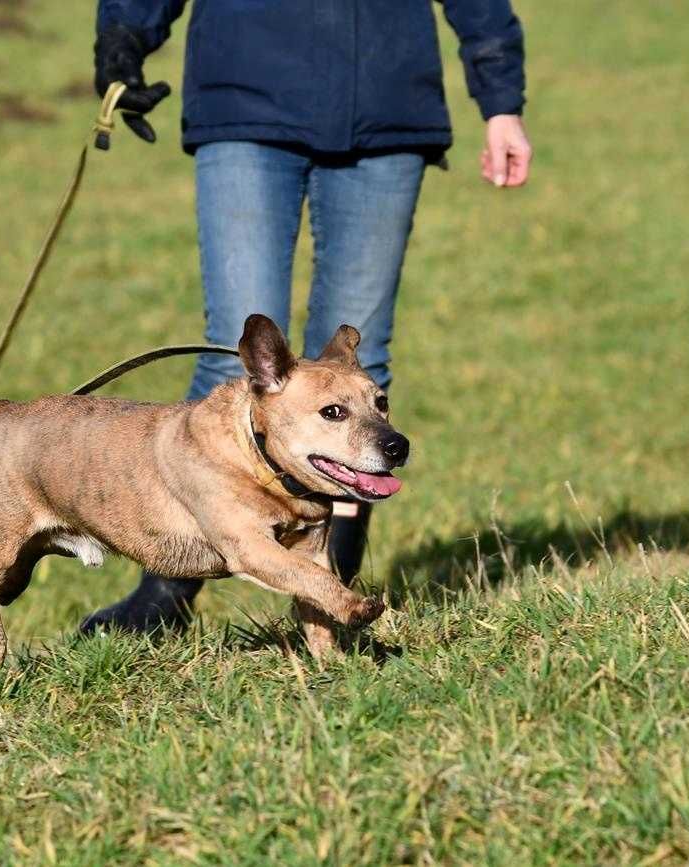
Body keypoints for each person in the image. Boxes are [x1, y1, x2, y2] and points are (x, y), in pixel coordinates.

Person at [81, 0, 530, 633]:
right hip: (244, 98)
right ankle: (167, 595)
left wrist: (501, 98)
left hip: (386, 106)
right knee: (228, 361)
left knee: (360, 366)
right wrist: (125, 33)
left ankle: (329, 597)